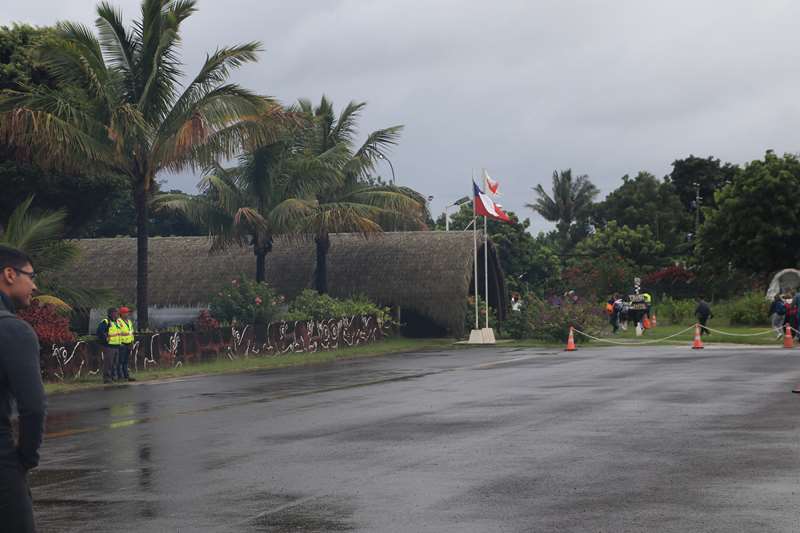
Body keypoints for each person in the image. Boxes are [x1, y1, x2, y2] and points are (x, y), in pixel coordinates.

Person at [0, 245, 46, 532]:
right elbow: (33, 407)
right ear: (8, 274)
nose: (35, 285)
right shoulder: (12, 330)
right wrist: (25, 460)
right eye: (30, 276)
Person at [97, 308, 121, 384]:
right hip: (109, 346)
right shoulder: (106, 322)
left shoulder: (116, 322)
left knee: (115, 362)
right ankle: (107, 378)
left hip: (116, 345)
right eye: (116, 313)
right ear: (111, 313)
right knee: (108, 363)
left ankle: (113, 377)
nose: (117, 314)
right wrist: (105, 339)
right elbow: (100, 331)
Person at [116, 307, 136, 382]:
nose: (128, 314)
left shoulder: (129, 321)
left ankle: (126, 376)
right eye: (126, 312)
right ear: (121, 313)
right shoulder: (118, 321)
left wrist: (132, 342)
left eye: (128, 312)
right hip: (122, 343)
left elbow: (131, 332)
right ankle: (120, 376)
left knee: (126, 361)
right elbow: (118, 332)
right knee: (120, 361)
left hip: (129, 343)